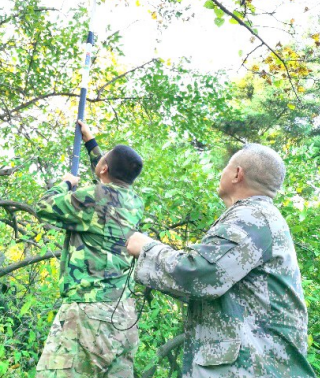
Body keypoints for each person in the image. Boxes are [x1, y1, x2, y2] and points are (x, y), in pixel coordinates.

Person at [126, 143, 315, 378]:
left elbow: (199, 274)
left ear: (237, 174)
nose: (220, 173)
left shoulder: (251, 217)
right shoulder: (258, 217)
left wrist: (146, 248)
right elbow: (211, 289)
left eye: (225, 167)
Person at [35, 120, 144, 378]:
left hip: (88, 312)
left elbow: (44, 206)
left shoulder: (92, 197)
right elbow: (113, 175)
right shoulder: (134, 201)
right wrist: (91, 143)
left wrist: (65, 183)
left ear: (104, 167)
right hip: (123, 314)